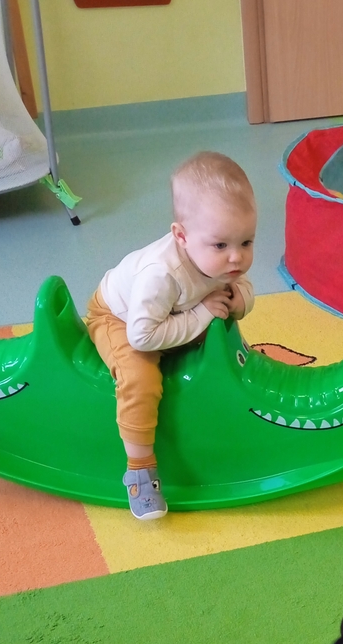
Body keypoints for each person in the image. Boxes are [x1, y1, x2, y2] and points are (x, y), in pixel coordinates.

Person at [86, 151, 256, 519]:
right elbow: (142, 337)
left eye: (246, 243)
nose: (236, 259)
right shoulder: (162, 274)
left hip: (170, 314)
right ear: (181, 236)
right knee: (140, 380)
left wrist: (240, 298)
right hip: (121, 319)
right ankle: (139, 470)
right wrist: (201, 313)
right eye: (222, 245)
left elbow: (240, 283)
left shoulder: (215, 256)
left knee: (218, 337)